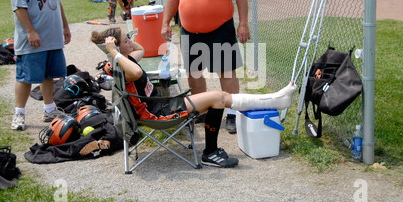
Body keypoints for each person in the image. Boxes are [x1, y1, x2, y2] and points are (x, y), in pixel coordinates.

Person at [91, 27, 297, 168]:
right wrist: (114, 51)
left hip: (162, 105)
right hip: (159, 112)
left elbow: (141, 50)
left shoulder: (123, 61)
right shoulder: (122, 66)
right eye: (126, 40)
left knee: (220, 98)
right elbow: (135, 74)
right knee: (219, 97)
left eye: (129, 38)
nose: (130, 42)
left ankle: (275, 100)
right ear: (116, 49)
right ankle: (211, 152)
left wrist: (122, 46)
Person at [161, 0, 250, 134]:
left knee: (226, 72)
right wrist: (165, 22)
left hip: (221, 29)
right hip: (190, 31)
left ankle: (231, 113)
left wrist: (243, 23)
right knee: (194, 73)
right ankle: (200, 112)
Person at [9, 0, 71, 131]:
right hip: (33, 38)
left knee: (49, 75)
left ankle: (49, 109)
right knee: (25, 77)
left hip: (52, 38)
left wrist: (65, 26)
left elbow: (57, 2)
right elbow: (19, 7)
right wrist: (30, 31)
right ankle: (19, 114)